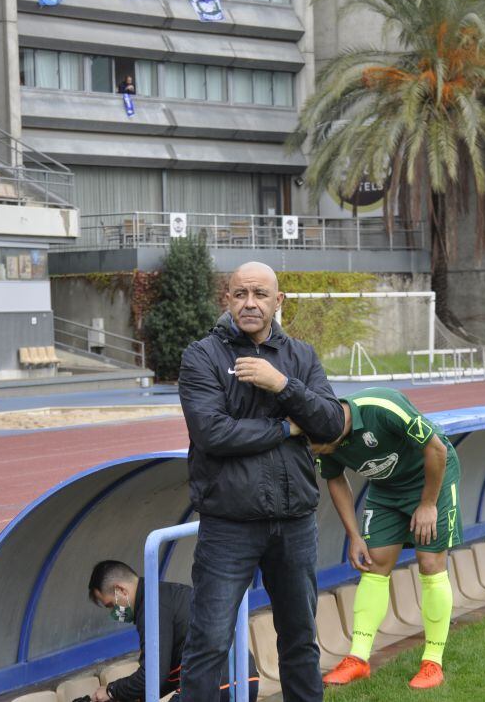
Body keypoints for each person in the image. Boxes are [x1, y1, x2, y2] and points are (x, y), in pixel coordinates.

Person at [178, 261, 345, 702]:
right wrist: (287, 429)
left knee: (299, 638)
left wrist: (283, 385)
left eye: (260, 294)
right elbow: (212, 433)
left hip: (294, 523)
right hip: (228, 525)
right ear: (227, 298)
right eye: (240, 294)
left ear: (278, 301)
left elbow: (330, 423)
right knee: (208, 643)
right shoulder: (202, 356)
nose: (250, 303)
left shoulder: (301, 357)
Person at [313, 387, 463, 690]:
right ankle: (358, 658)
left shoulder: (382, 406)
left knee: (430, 563)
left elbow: (437, 449)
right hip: (386, 490)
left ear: (335, 432)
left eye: (316, 448)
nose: (313, 452)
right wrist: (354, 535)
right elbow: (335, 479)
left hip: (431, 478)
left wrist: (428, 504)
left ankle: (432, 661)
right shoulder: (318, 429)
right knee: (375, 563)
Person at [86, 560, 259, 701]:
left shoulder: (152, 607)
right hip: (244, 678)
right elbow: (167, 674)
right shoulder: (167, 594)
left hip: (216, 685)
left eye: (111, 605)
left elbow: (152, 676)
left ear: (120, 590)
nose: (114, 612)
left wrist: (111, 691)